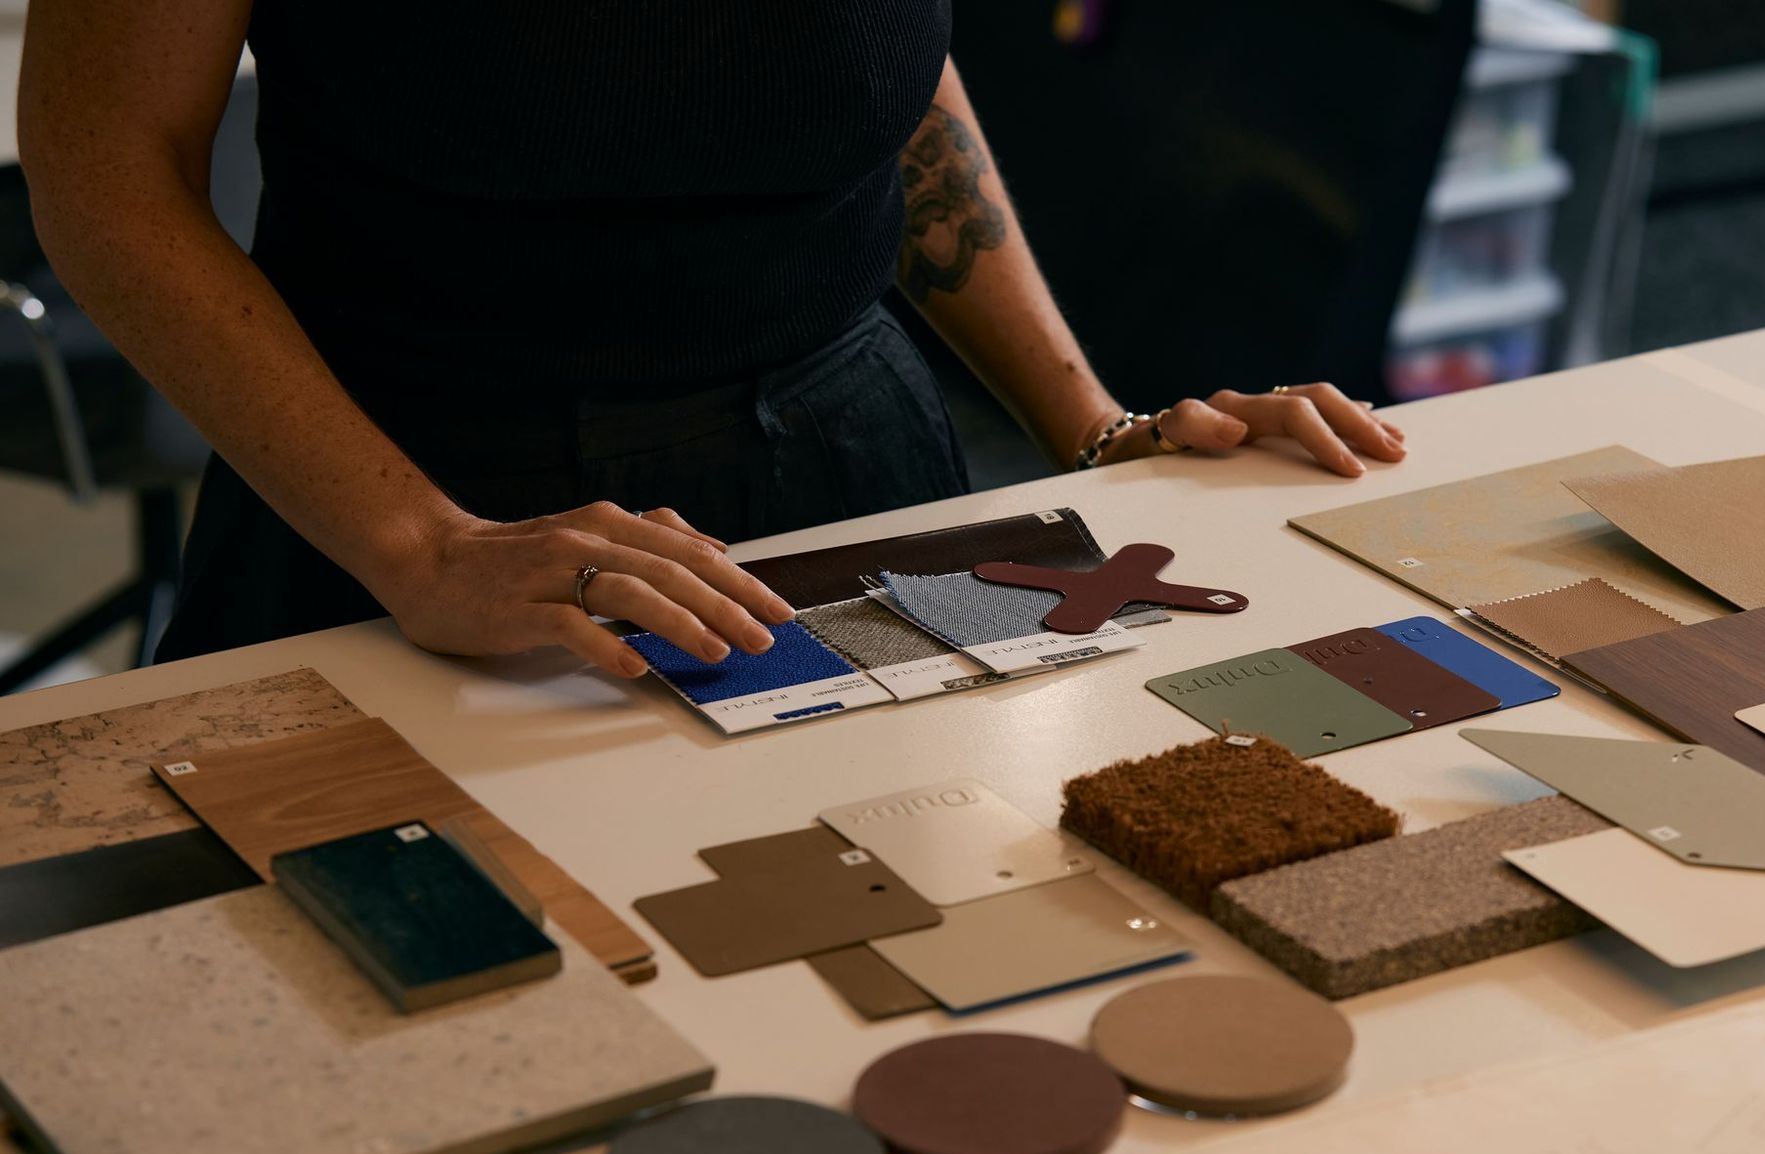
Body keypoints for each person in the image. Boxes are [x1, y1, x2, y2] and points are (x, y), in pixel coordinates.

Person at [20, 3, 1408, 679]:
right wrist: (421, 547)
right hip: (418, 505)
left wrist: (1094, 429)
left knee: (932, 930)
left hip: (862, 468)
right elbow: (106, 165)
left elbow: (869, 61)